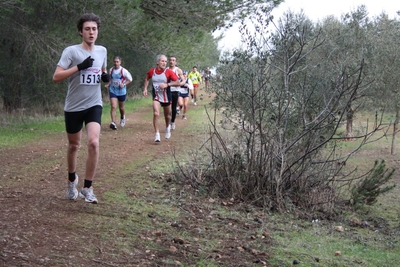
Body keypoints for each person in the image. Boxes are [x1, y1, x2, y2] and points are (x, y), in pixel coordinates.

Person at [52, 13, 109, 204]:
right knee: (74, 145)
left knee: (93, 142)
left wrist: (105, 77)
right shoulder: (71, 51)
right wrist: (79, 67)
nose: (91, 32)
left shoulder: (102, 51)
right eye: (87, 29)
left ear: (98, 31)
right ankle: (71, 179)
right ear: (80, 32)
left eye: (94, 29)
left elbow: (101, 71)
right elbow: (56, 77)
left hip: (94, 103)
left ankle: (87, 187)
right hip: (74, 106)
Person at [143, 54, 183, 142]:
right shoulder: (152, 71)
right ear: (157, 62)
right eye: (162, 61)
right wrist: (145, 88)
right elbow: (147, 79)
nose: (164, 63)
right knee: (156, 114)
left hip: (166, 96)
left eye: (165, 61)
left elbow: (178, 82)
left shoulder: (168, 72)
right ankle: (157, 134)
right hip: (156, 96)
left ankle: (167, 127)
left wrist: (167, 84)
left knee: (167, 116)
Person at [105, 56, 132, 130]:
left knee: (121, 107)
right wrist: (108, 84)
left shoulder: (123, 71)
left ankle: (122, 117)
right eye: (115, 61)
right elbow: (111, 79)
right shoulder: (111, 70)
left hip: (121, 91)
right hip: (113, 90)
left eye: (117, 62)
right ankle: (113, 122)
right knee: (113, 106)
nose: (116, 63)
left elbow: (130, 79)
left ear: (120, 62)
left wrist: (124, 84)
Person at [168, 56, 185, 130]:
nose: (171, 61)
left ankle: (173, 121)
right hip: (168, 90)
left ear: (176, 62)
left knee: (174, 107)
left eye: (173, 60)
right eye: (170, 60)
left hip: (175, 90)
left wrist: (180, 84)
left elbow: (183, 80)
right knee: (167, 107)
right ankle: (168, 123)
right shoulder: (166, 69)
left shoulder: (178, 70)